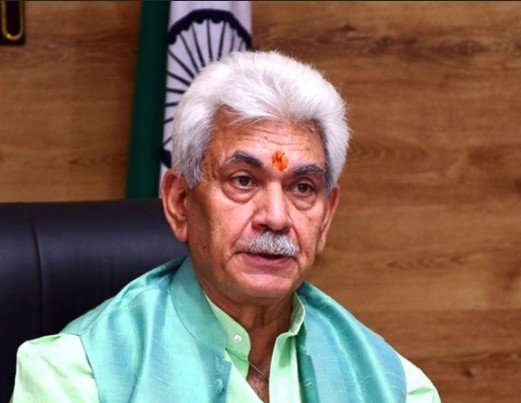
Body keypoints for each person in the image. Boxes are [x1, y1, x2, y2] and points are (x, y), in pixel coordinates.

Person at [12, 51, 440, 403]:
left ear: (325, 217)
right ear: (180, 202)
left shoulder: (397, 387)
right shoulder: (74, 380)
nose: (276, 217)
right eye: (243, 181)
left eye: (302, 187)